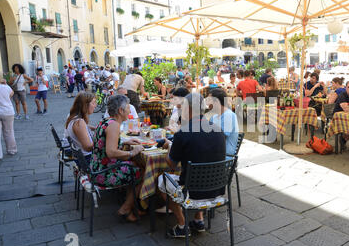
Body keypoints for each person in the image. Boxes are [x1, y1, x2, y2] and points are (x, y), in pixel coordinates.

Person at [159, 93, 226, 237]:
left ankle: (182, 224)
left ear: (188, 109)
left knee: (161, 180)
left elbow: (171, 164)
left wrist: (169, 148)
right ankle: (198, 219)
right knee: (200, 171)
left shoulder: (183, 133)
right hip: (217, 190)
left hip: (192, 193)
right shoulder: (218, 130)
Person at [91, 95, 145, 222]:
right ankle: (126, 208)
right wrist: (132, 152)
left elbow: (106, 146)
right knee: (142, 172)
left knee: (135, 167)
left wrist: (126, 142)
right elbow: (111, 152)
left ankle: (133, 206)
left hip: (96, 167)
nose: (129, 111)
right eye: (127, 108)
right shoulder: (114, 125)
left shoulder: (105, 121)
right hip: (104, 174)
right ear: (120, 111)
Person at [64, 92, 97, 165]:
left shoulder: (73, 116)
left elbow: (82, 129)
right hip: (88, 160)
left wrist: (95, 128)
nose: (95, 106)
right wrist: (102, 140)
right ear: (85, 105)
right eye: (93, 103)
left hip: (81, 158)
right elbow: (88, 147)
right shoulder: (79, 122)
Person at [208, 88, 239, 157]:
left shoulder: (229, 115)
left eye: (209, 100)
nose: (207, 103)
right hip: (215, 154)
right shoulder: (214, 117)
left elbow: (220, 139)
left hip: (224, 157)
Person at [0, 72, 17, 160]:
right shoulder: (6, 87)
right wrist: (5, 84)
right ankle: (11, 150)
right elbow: (11, 94)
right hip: (8, 111)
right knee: (9, 132)